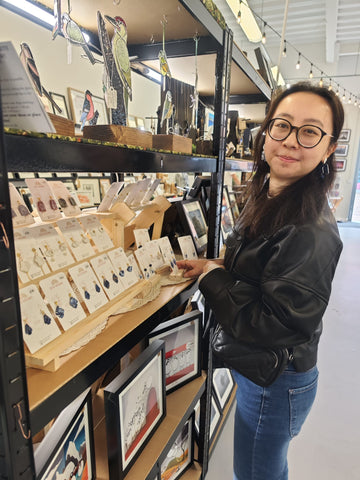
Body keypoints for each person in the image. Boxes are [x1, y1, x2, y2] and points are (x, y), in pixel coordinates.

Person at [176, 82, 344, 480]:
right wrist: (214, 264)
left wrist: (216, 278)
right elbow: (262, 268)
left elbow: (272, 324)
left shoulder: (311, 230)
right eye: (281, 125)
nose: (289, 141)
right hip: (266, 373)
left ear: (329, 146)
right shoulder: (273, 195)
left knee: (255, 473)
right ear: (267, 131)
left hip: (276, 380)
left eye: (309, 131)